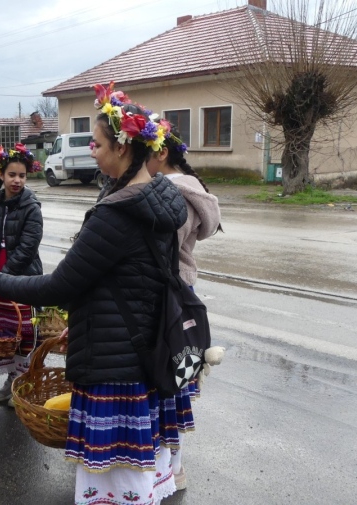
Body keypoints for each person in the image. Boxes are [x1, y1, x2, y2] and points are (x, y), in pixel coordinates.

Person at [0, 82, 188, 505]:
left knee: (117, 477)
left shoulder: (118, 215)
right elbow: (123, 285)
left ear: (124, 148)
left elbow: (61, 285)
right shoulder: (160, 197)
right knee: (135, 473)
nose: (92, 150)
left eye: (97, 143)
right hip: (142, 350)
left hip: (115, 365)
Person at [141, 128, 221, 490]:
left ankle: (172, 469)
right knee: (174, 378)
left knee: (169, 378)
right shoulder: (185, 187)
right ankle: (171, 467)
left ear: (159, 155)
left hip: (168, 292)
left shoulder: (175, 191)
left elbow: (158, 246)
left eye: (143, 155)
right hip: (177, 288)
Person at [0, 143, 44, 405]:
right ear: (1, 175)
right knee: (4, 333)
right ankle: (11, 381)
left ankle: (23, 382)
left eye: (22, 176)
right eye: (12, 174)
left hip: (21, 278)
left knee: (24, 333)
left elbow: (28, 248)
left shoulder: (31, 207)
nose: (17, 180)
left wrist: (0, 278)